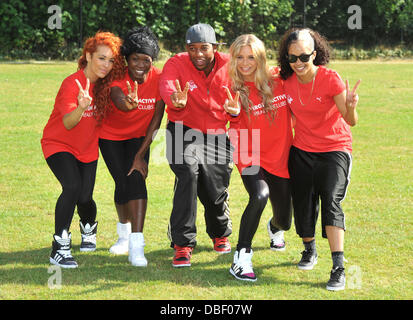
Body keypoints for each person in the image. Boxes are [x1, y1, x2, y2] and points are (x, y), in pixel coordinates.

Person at [278, 28, 360, 291]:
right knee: (302, 201)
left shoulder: (329, 79)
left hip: (334, 148)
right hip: (301, 149)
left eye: (304, 56)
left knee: (331, 200)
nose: (298, 63)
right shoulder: (286, 81)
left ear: (314, 54)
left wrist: (351, 105)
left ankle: (338, 267)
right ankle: (309, 250)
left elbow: (350, 121)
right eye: (292, 58)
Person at [41, 31, 123, 268]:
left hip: (87, 149)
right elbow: (68, 122)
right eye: (101, 58)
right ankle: (59, 246)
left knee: (85, 197)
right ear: (88, 56)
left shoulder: (106, 87)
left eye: (110, 61)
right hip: (58, 144)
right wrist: (82, 106)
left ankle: (88, 228)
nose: (106, 65)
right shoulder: (72, 83)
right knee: (72, 187)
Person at [159, 23, 233, 268]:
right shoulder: (176, 63)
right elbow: (166, 85)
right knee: (188, 175)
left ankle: (219, 232)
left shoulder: (230, 63)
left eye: (204, 48)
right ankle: (182, 243)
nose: (198, 54)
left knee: (214, 188)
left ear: (215, 46)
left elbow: (257, 76)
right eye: (192, 48)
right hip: (182, 130)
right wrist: (174, 99)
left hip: (217, 132)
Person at [220, 34, 293, 282]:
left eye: (251, 56)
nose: (245, 62)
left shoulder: (279, 79)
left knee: (285, 221)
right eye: (239, 57)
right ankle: (242, 257)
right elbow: (230, 120)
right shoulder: (231, 88)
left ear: (260, 57)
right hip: (248, 153)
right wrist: (234, 112)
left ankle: (274, 228)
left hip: (280, 154)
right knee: (259, 195)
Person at [98, 26, 165, 267]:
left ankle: (137, 245)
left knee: (135, 178)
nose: (140, 64)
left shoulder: (159, 79)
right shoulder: (117, 76)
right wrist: (128, 104)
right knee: (122, 183)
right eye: (135, 59)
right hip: (110, 137)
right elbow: (118, 99)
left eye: (145, 60)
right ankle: (123, 236)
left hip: (140, 137)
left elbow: (156, 121)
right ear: (126, 59)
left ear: (152, 61)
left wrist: (140, 156)